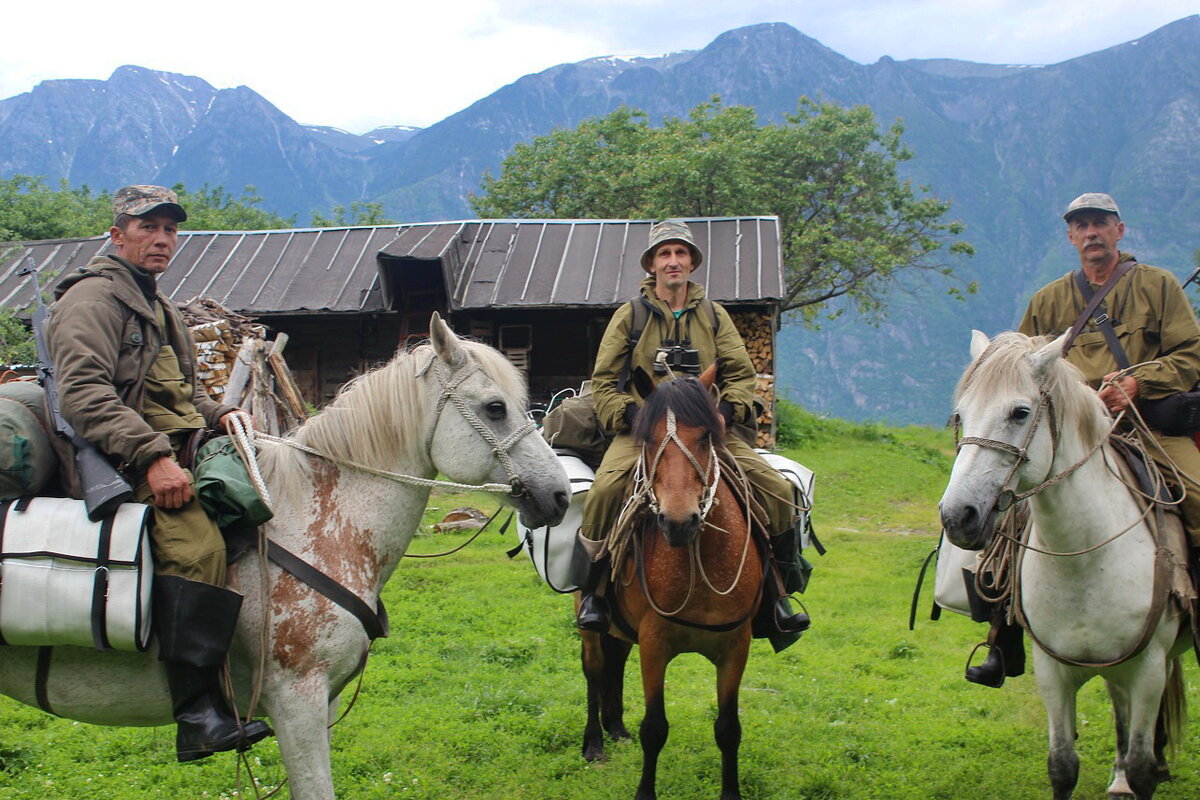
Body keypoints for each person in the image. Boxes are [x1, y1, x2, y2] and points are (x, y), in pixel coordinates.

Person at [45, 185, 272, 760]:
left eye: (170, 229)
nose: (163, 239)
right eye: (149, 227)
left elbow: (182, 389)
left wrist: (222, 413)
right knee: (197, 548)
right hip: (121, 460)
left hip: (176, 444)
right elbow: (82, 394)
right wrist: (153, 457)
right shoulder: (95, 299)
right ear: (117, 233)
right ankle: (198, 715)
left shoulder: (156, 301)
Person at [966, 192, 1200, 687]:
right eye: (1082, 226)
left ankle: (1190, 611)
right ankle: (1001, 635)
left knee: (1198, 497)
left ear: (1120, 231)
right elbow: (1014, 371)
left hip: (1147, 426)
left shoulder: (1157, 286)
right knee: (1008, 513)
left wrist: (1139, 382)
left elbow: (1190, 356)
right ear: (1071, 237)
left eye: (1101, 223)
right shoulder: (1049, 300)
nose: (1092, 233)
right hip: (1068, 435)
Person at [575, 219, 810, 643]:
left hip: (704, 432)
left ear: (692, 262)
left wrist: (724, 411)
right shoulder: (629, 316)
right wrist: (632, 418)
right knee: (605, 491)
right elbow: (603, 383)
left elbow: (742, 374)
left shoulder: (714, 315)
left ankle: (780, 593)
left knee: (777, 488)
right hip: (644, 432)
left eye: (681, 253)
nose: (673, 261)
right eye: (664, 254)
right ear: (651, 264)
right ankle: (594, 594)